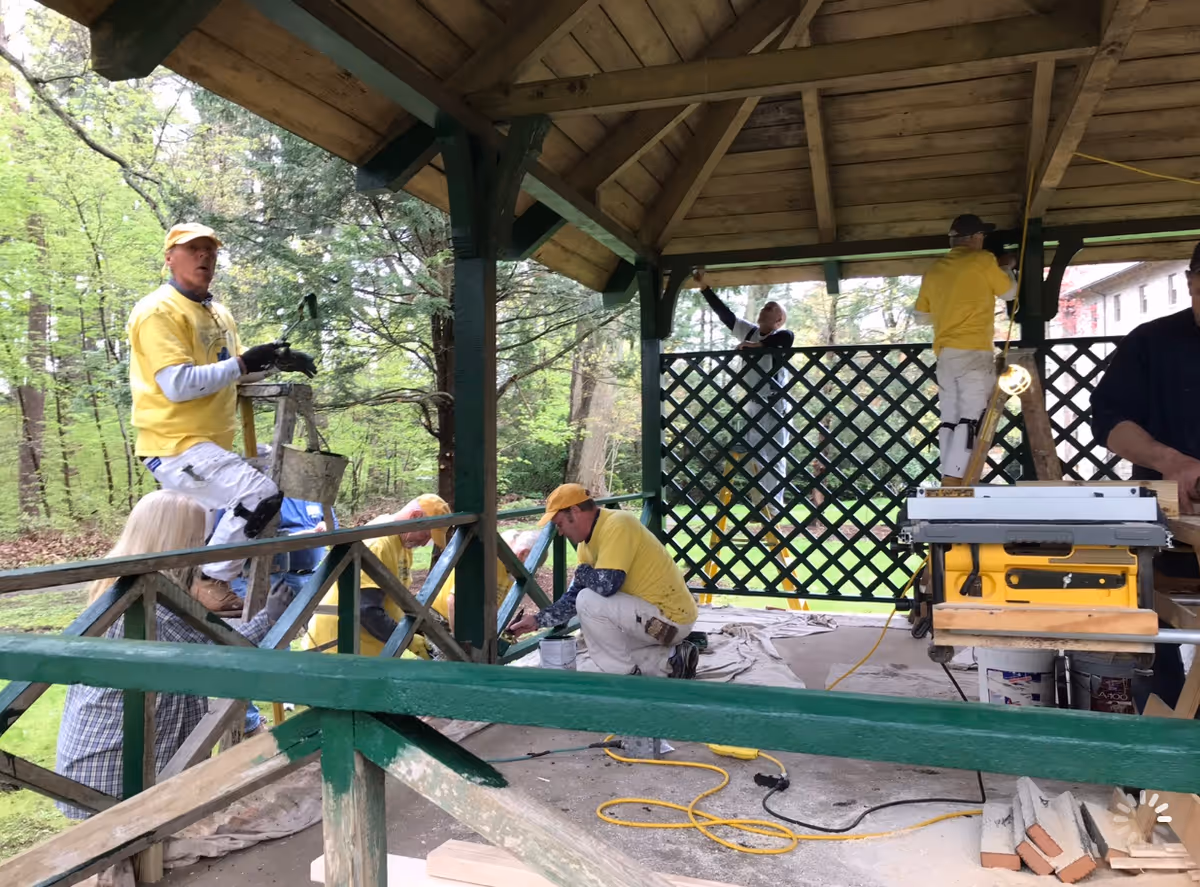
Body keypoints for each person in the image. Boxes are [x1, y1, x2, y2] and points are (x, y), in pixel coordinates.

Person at [55, 491, 295, 821]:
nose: (207, 547)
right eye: (200, 538)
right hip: (116, 769)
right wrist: (268, 619)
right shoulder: (150, 601)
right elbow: (222, 662)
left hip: (107, 759)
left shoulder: (125, 584)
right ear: (175, 540)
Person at [127, 222, 317, 611]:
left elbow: (234, 371)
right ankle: (210, 579)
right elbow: (178, 384)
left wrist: (276, 363)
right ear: (170, 258)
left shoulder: (218, 313)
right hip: (174, 444)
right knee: (258, 493)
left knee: (285, 469)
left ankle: (219, 573)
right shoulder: (157, 311)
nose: (204, 257)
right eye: (193, 249)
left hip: (212, 445)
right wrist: (245, 361)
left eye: (210, 251)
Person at [506, 484, 699, 678]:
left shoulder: (619, 523)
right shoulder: (585, 546)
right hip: (656, 625)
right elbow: (572, 600)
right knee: (600, 640)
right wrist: (536, 621)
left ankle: (625, 677)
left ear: (574, 511)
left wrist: (582, 572)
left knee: (590, 605)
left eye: (560, 523)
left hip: (670, 622)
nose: (561, 532)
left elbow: (607, 585)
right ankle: (673, 660)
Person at [1092, 241, 1200, 516]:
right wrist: (1171, 462)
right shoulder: (1150, 341)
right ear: (1189, 283)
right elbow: (1109, 420)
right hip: (1172, 518)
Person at [913, 213, 1018, 484]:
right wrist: (1005, 267)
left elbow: (921, 316)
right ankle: (957, 483)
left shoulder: (934, 269)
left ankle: (947, 479)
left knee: (950, 417)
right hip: (975, 351)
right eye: (982, 236)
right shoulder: (983, 260)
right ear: (975, 237)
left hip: (946, 354)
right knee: (971, 419)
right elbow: (1009, 293)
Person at [692, 268, 795, 509]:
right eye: (764, 307)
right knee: (755, 453)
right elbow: (725, 316)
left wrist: (756, 345)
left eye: (771, 308)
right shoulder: (749, 330)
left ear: (779, 319)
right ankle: (762, 503)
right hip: (753, 404)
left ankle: (774, 508)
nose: (764, 309)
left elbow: (786, 339)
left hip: (775, 403)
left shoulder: (781, 335)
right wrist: (705, 288)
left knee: (775, 454)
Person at [303, 494, 450, 657]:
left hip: (366, 649)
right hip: (337, 647)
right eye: (426, 536)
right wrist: (406, 639)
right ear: (415, 517)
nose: (424, 544)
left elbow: (397, 601)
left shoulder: (403, 544)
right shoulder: (378, 544)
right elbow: (367, 610)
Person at [432, 528, 539, 630]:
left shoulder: (512, 567)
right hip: (442, 619)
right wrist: (459, 644)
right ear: (523, 553)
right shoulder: (488, 559)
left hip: (468, 623)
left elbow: (493, 605)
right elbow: (453, 601)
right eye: (533, 566)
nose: (532, 572)